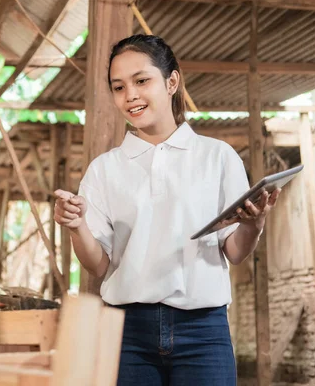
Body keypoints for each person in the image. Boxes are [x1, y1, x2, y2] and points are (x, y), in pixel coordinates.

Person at [53, 34, 280, 386]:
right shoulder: (105, 168)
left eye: (142, 81)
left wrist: (255, 223)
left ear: (171, 82)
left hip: (203, 331)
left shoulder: (217, 157)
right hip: (126, 333)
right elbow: (98, 264)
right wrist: (76, 225)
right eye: (118, 87)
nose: (130, 95)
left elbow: (234, 251)